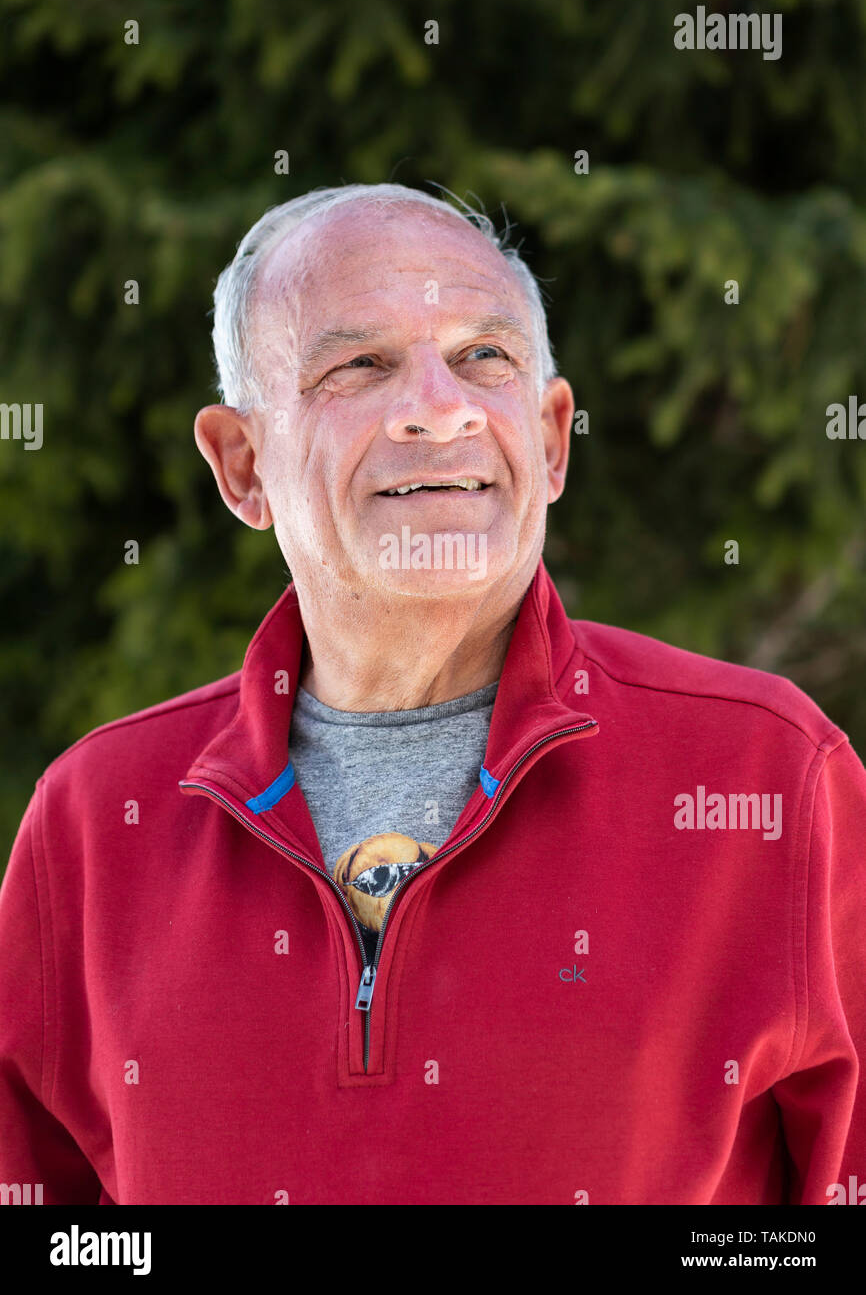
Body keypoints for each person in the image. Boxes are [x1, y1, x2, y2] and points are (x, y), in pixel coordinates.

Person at [0, 183, 863, 1205]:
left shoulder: (769, 780)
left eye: (481, 357)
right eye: (357, 364)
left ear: (548, 439)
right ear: (241, 465)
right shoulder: (97, 819)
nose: (437, 406)